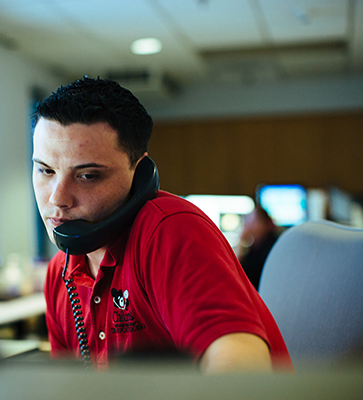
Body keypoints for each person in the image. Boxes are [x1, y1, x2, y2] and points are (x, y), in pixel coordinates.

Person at [31, 77, 292, 373]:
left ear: (140, 176)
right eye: (45, 170)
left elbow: (244, 371)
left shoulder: (170, 232)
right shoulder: (60, 274)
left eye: (88, 175)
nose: (57, 198)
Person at [237, 206, 280, 291]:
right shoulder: (256, 246)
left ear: (265, 223)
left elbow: (240, 272)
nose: (249, 226)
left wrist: (241, 241)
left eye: (253, 222)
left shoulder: (271, 246)